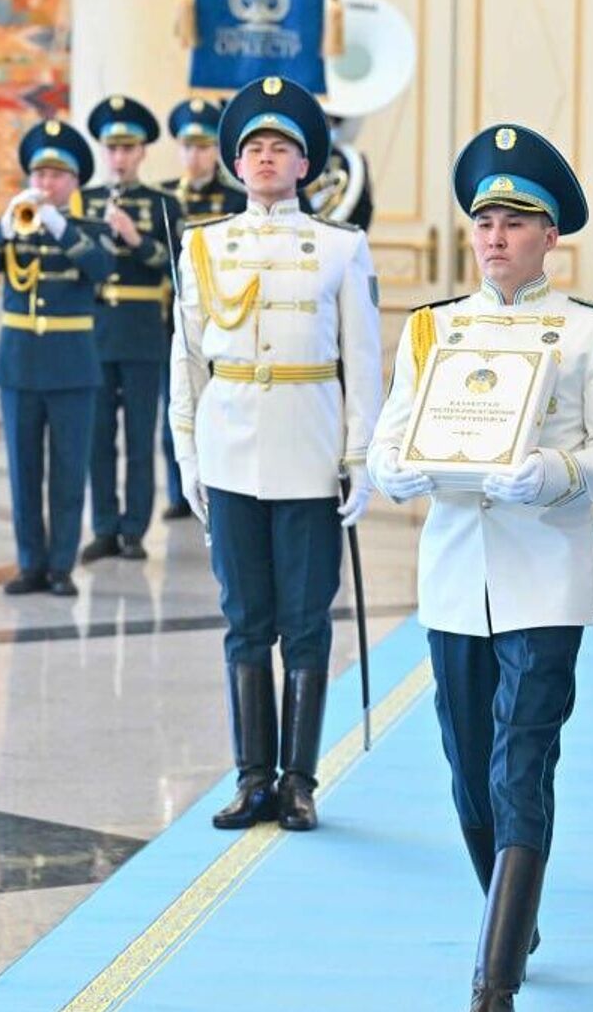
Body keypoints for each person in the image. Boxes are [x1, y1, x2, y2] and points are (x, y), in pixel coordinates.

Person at [368, 123, 593, 1011]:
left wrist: (555, 473)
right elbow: (389, 437)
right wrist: (395, 471)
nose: (494, 237)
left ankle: (495, 978)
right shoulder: (433, 329)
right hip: (456, 574)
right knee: (467, 765)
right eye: (484, 222)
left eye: (515, 222)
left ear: (549, 235)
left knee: (522, 761)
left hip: (546, 571)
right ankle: (510, 914)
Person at [167, 76, 381, 833]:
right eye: (254, 146)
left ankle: (299, 782)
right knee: (244, 620)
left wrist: (360, 456)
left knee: (307, 621)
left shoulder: (341, 248)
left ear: (305, 165)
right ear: (236, 162)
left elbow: (364, 362)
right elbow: (187, 362)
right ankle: (252, 778)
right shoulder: (202, 246)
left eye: (280, 147)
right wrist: (188, 456)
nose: (265, 156)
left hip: (309, 454)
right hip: (230, 453)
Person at [0, 119, 114, 596]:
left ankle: (61, 566)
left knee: (68, 472)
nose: (45, 183)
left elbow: (101, 267)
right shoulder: (15, 227)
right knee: (23, 471)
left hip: (72, 366)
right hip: (19, 364)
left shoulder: (90, 230)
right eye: (39, 174)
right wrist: (2, 229)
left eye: (55, 175)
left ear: (74, 182)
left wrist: (60, 227)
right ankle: (30, 563)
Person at [80, 95, 180, 563]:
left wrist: (137, 240)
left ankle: (135, 529)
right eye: (112, 148)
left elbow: (177, 267)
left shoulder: (163, 204)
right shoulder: (84, 201)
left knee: (140, 439)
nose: (119, 158)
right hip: (95, 333)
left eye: (127, 149)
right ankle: (103, 527)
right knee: (98, 439)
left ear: (142, 152)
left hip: (142, 333)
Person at [158, 97, 245, 521]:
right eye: (188, 147)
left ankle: (223, 480)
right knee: (176, 401)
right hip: (171, 317)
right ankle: (180, 489)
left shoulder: (235, 198)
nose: (195, 156)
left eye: (204, 146)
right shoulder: (162, 198)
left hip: (229, 317)